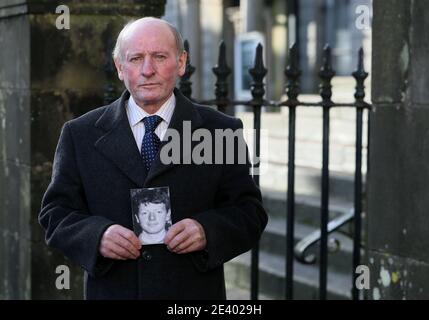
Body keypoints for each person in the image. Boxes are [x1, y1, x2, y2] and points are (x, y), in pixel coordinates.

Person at [39, 17, 267, 299]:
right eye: (135, 58)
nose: (148, 70)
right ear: (120, 68)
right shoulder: (79, 134)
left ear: (181, 62)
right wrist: (96, 236)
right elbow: (55, 214)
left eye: (160, 56)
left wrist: (207, 230)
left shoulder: (222, 130)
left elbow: (250, 213)